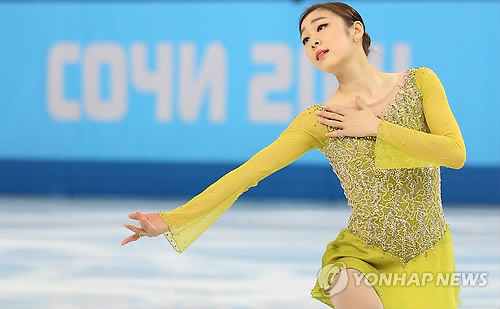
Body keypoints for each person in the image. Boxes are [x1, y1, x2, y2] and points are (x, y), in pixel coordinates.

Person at [121, 2, 465, 308]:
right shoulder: (317, 120)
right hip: (358, 256)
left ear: (356, 30)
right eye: (304, 39)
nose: (312, 41)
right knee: (344, 281)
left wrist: (377, 127)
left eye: (321, 27)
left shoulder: (420, 83)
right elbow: (249, 173)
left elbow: (454, 153)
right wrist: (173, 219)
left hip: (428, 255)